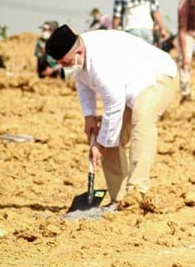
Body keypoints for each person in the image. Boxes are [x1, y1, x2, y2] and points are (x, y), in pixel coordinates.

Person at [44, 24, 178, 210]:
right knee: (108, 134)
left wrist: (99, 144)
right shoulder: (79, 57)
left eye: (65, 63)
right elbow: (83, 86)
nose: (63, 68)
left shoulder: (100, 61)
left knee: (142, 117)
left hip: (157, 77)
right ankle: (119, 198)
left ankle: (137, 190)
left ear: (80, 52)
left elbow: (114, 106)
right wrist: (89, 117)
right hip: (126, 88)